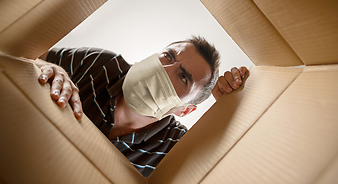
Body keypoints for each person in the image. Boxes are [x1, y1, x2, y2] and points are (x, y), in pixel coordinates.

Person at [35, 36, 248, 177]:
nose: (165, 69)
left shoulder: (174, 147)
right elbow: (26, 58)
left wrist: (226, 111)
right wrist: (49, 67)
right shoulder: (101, 64)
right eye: (168, 56)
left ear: (184, 110)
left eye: (183, 77)